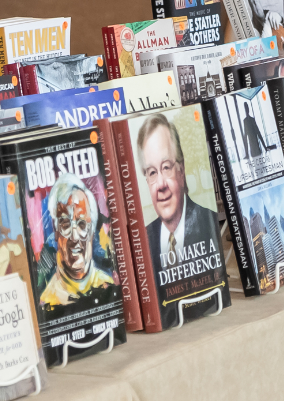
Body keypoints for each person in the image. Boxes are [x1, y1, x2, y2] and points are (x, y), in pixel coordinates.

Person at [136, 114, 218, 271]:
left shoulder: (210, 224)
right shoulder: (143, 243)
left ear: (182, 170)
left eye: (166, 167)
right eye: (152, 172)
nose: (160, 184)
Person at [38, 175, 117, 308]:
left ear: (92, 232)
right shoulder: (47, 301)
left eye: (81, 224)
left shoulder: (109, 286)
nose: (74, 237)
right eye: (65, 224)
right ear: (56, 232)